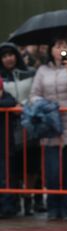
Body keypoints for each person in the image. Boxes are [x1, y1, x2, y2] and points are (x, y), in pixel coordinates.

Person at [30, 37, 67, 220]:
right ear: (51, 50)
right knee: (52, 171)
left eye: (64, 46)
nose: (61, 50)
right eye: (57, 46)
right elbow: (34, 95)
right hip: (50, 126)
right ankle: (53, 208)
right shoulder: (42, 70)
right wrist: (45, 106)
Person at [0, 42, 40, 216]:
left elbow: (36, 93)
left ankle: (30, 199)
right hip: (7, 126)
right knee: (12, 166)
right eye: (4, 55)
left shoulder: (29, 73)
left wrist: (23, 105)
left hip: (28, 122)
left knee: (31, 164)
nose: (8, 58)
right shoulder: (1, 77)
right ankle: (13, 201)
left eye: (11, 54)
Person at [0, 77, 17, 218]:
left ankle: (6, 207)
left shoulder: (8, 97)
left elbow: (11, 102)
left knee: (4, 178)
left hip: (4, 146)